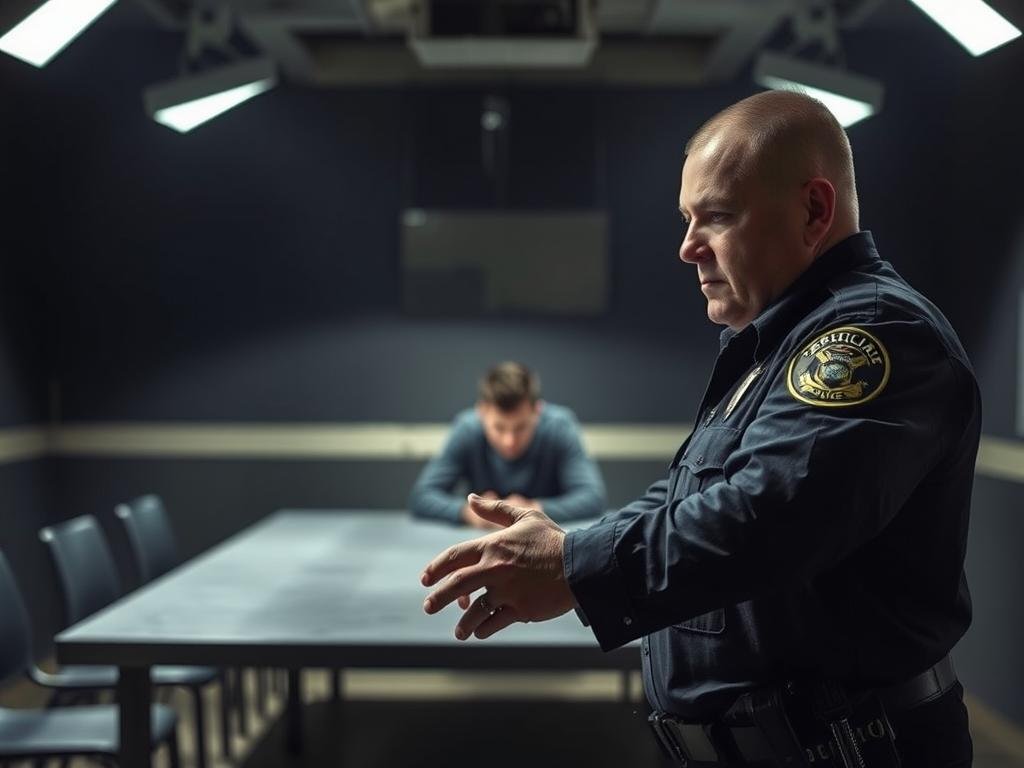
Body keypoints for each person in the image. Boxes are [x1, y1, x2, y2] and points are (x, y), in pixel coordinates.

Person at [418, 91, 980, 768]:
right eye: (688, 220)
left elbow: (770, 515)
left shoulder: (870, 338)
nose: (688, 248)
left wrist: (577, 567)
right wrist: (574, 550)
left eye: (716, 217)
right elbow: (688, 500)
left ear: (813, 210)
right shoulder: (772, 345)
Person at [409, 361, 606, 528]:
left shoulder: (560, 427)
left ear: (537, 410)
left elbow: (593, 497)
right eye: (499, 428)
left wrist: (535, 510)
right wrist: (469, 513)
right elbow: (422, 496)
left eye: (520, 428)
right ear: (482, 412)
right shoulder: (466, 429)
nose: (509, 441)